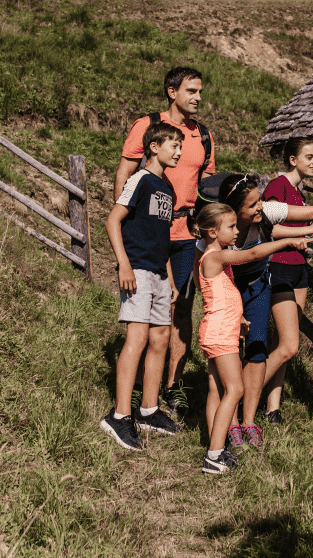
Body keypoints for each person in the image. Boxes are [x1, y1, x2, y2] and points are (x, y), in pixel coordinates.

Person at [217, 173, 313, 448]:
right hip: (229, 289)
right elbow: (223, 265)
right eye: (252, 205)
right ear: (235, 211)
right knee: (230, 351)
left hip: (259, 286)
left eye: (260, 200)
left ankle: (249, 422)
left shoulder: (266, 211)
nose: (260, 206)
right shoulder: (222, 226)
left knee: (258, 348)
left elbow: (312, 211)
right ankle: (231, 420)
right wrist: (232, 308)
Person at [115, 67, 215, 414]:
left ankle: (172, 386)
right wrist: (127, 226)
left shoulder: (203, 136)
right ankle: (137, 389)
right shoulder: (147, 126)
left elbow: (207, 188)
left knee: (182, 308)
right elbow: (126, 172)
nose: (198, 98)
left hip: (186, 235)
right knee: (147, 315)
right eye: (191, 91)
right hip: (150, 232)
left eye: (200, 91)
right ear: (172, 92)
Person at [193, 203, 308, 474]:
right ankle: (213, 455)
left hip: (220, 329)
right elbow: (254, 253)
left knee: (217, 391)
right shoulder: (213, 257)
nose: (236, 232)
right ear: (212, 232)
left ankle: (215, 448)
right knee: (235, 390)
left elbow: (221, 295)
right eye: (231, 227)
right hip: (220, 333)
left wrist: (239, 319)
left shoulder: (216, 256)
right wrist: (286, 241)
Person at [100, 121, 185, 451]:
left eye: (180, 146)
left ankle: (148, 410)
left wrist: (171, 278)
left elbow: (160, 236)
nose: (179, 152)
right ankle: (119, 415)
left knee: (161, 336)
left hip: (160, 275)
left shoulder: (168, 190)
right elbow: (113, 220)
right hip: (136, 270)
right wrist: (124, 263)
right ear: (154, 147)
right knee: (136, 336)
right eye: (173, 146)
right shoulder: (141, 180)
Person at [259, 138, 313, 424]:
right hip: (280, 267)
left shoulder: (298, 191)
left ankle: (273, 408)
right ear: (293, 160)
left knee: (280, 342)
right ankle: (243, 396)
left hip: (299, 270)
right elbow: (270, 228)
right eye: (309, 156)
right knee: (289, 346)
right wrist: (303, 232)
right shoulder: (278, 186)